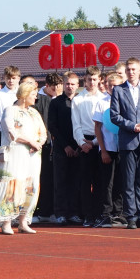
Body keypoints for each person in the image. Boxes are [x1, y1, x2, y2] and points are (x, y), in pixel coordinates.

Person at [0, 81, 47, 234]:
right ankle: (6, 222)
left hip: (33, 155)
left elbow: (43, 131)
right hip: (16, 154)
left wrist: (38, 143)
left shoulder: (34, 112)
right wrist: (30, 141)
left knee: (31, 186)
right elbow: (11, 132)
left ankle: (23, 221)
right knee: (13, 185)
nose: (35, 98)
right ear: (25, 95)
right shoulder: (10, 110)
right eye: (33, 95)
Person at [110, 58, 140, 229]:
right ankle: (130, 216)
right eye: (128, 69)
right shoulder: (118, 90)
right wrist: (132, 126)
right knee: (128, 180)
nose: (131, 72)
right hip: (128, 141)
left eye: (134, 69)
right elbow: (114, 116)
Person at [72, 66, 109, 226]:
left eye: (95, 79)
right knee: (85, 181)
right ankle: (88, 215)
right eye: (89, 79)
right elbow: (76, 124)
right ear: (84, 80)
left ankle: (99, 213)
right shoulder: (78, 99)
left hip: (101, 142)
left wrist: (95, 142)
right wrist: (82, 143)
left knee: (100, 181)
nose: (92, 82)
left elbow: (105, 126)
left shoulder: (105, 99)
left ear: (99, 80)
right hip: (84, 143)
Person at [91, 71, 125, 226]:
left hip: (124, 148)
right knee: (107, 183)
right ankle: (106, 213)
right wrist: (103, 150)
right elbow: (97, 128)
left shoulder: (126, 101)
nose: (113, 88)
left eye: (116, 85)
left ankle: (119, 213)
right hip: (108, 148)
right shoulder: (102, 102)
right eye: (110, 85)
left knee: (121, 181)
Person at [48, 72, 81, 224]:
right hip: (62, 149)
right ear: (63, 84)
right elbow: (52, 127)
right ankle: (60, 213)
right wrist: (66, 146)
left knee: (76, 182)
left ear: (77, 85)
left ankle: (74, 212)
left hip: (79, 149)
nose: (70, 86)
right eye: (67, 84)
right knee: (60, 182)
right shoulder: (55, 103)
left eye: (73, 84)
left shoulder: (81, 101)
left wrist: (77, 147)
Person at [32, 73, 59, 222]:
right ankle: (35, 211)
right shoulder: (19, 105)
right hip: (32, 147)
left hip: (48, 145)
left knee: (48, 179)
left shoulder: (48, 100)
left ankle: (49, 210)